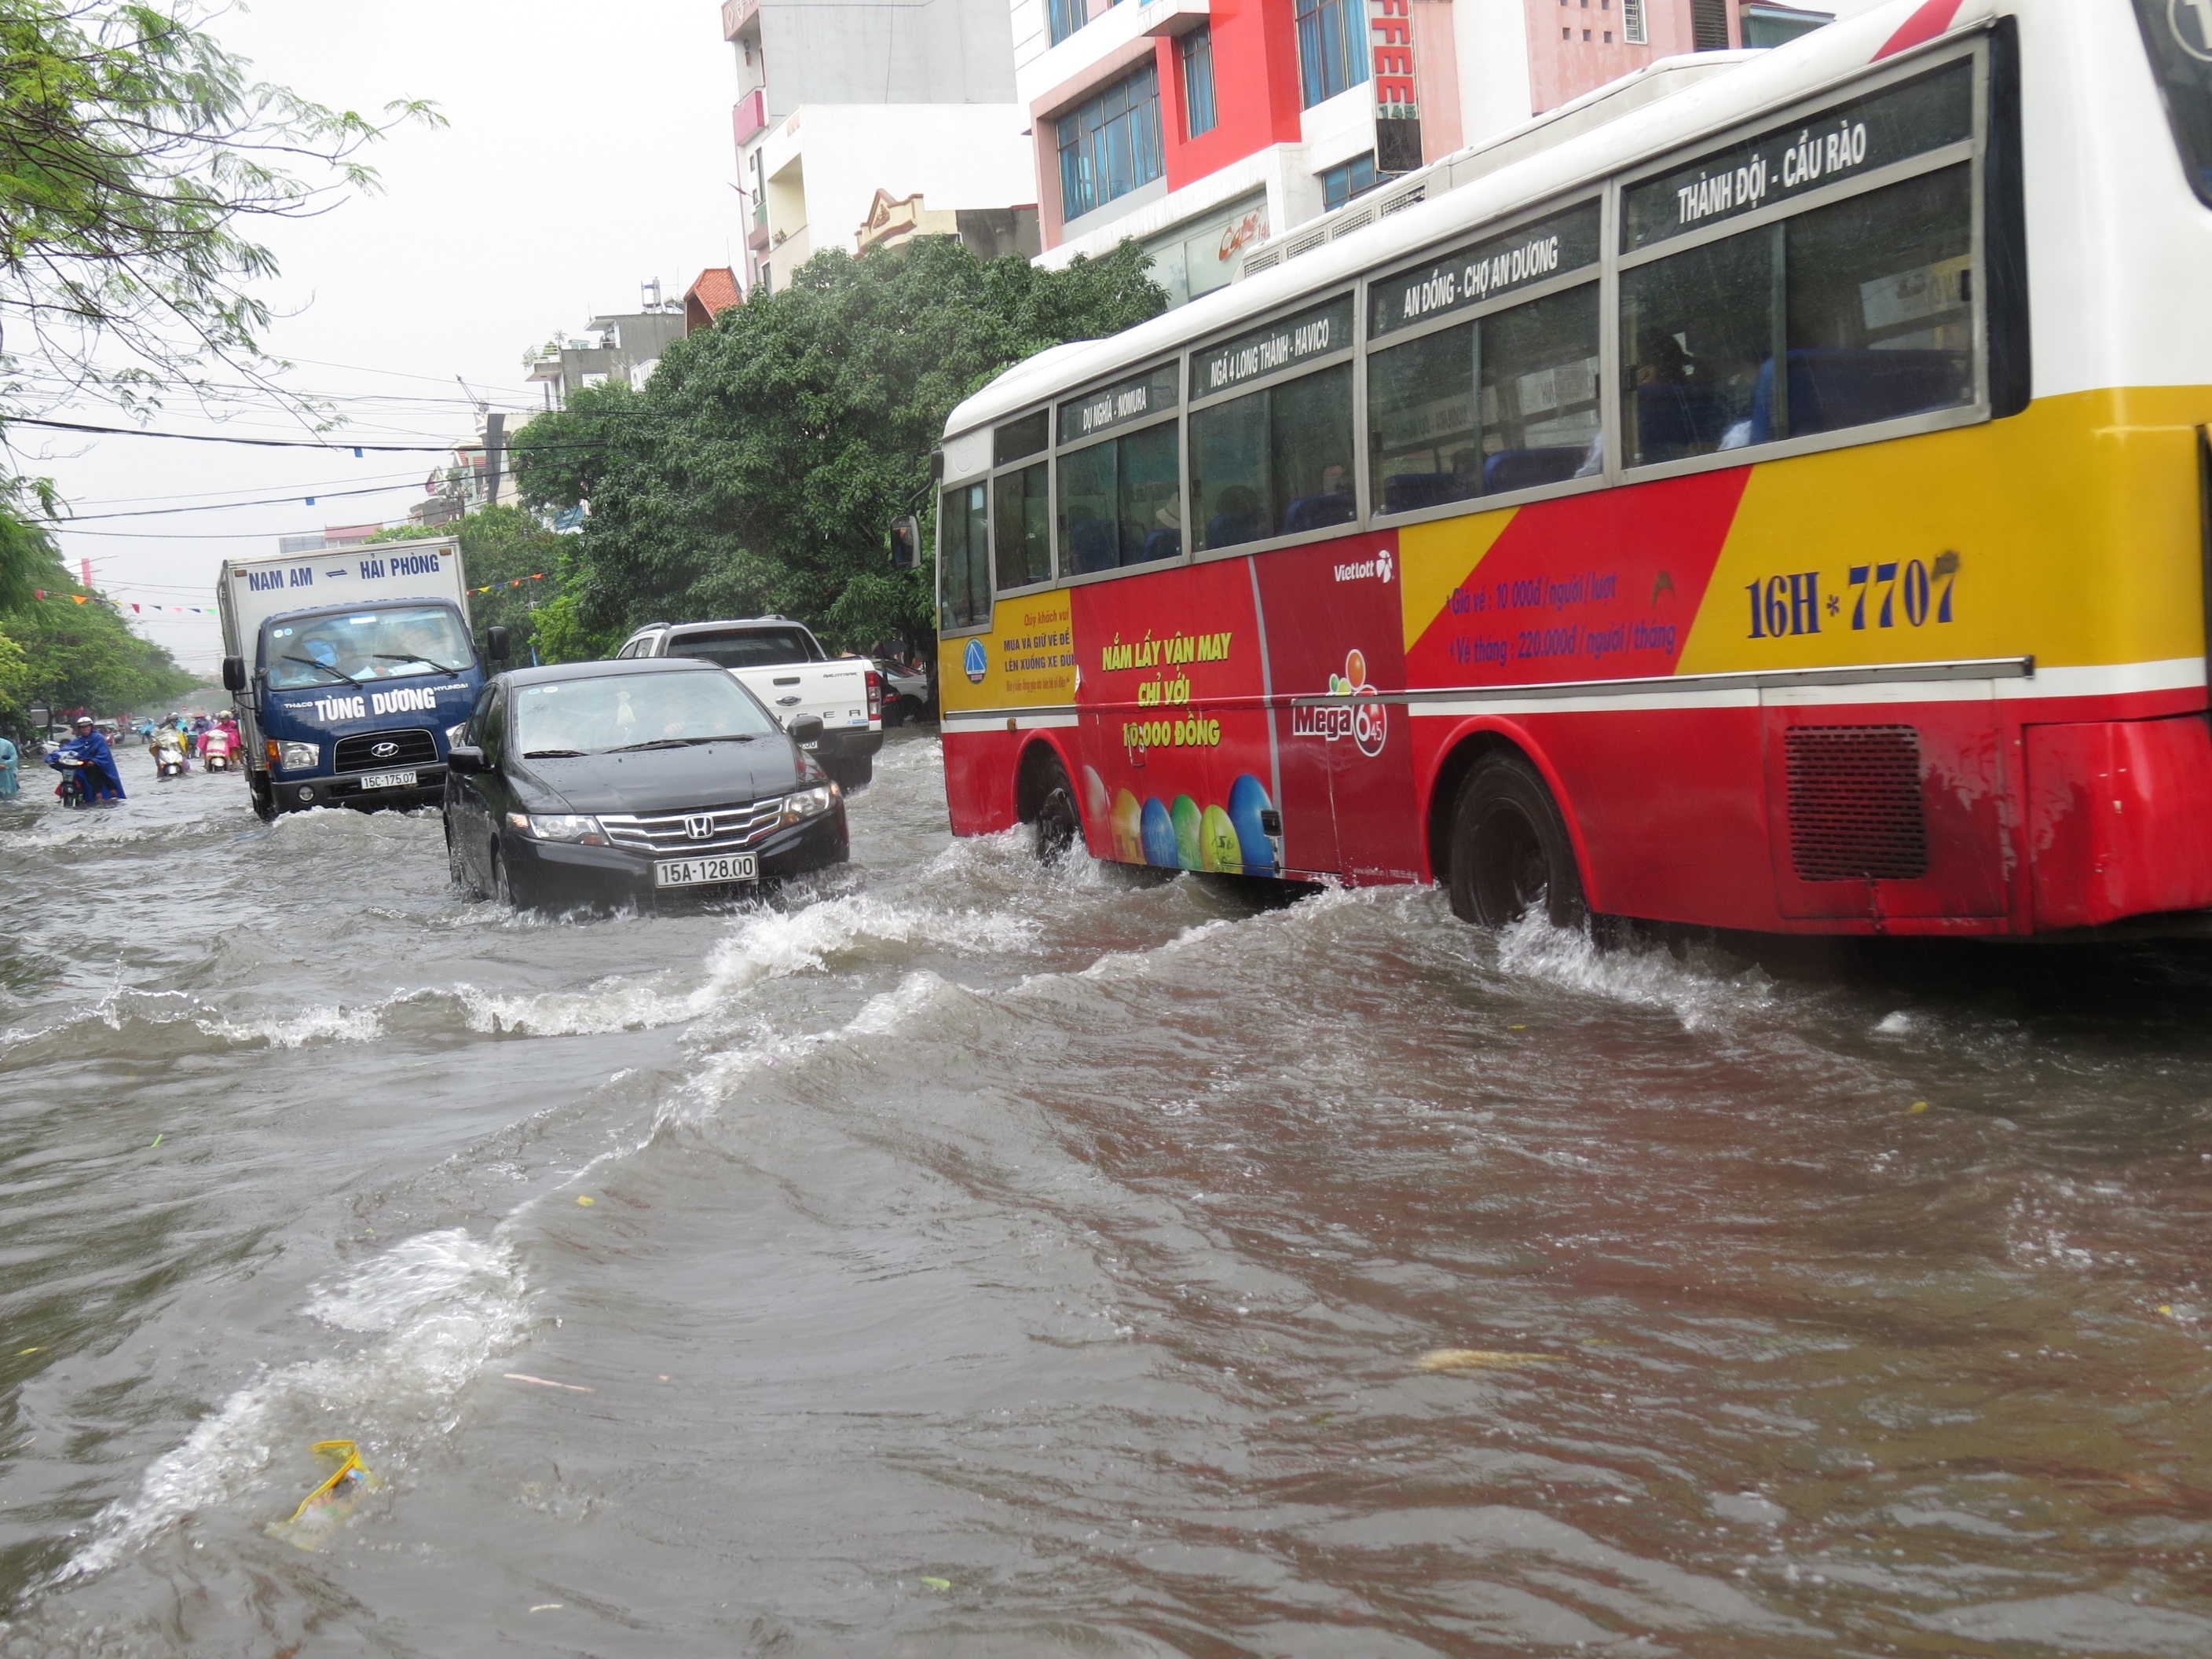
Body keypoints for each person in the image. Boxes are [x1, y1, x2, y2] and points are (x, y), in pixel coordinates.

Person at [57, 716, 126, 803]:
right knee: (96, 789)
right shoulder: (79, 741)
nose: (84, 729)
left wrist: (94, 760)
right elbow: (68, 749)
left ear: (91, 727)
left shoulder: (98, 738)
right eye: (82, 727)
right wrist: (55, 756)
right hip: (88, 768)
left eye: (87, 727)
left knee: (111, 787)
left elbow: (104, 753)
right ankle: (98, 804)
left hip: (102, 768)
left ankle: (116, 801)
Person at [0, 731, 18, 799]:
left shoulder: (7, 744)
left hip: (5, 775)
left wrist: (5, 764)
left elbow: (14, 758)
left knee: (7, 798)